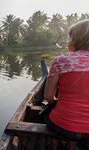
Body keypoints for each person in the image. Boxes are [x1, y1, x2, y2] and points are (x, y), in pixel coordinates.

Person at [44, 19, 89, 149]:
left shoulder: (60, 60)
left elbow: (48, 96)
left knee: (47, 114)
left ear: (74, 40)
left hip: (64, 126)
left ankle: (68, 144)